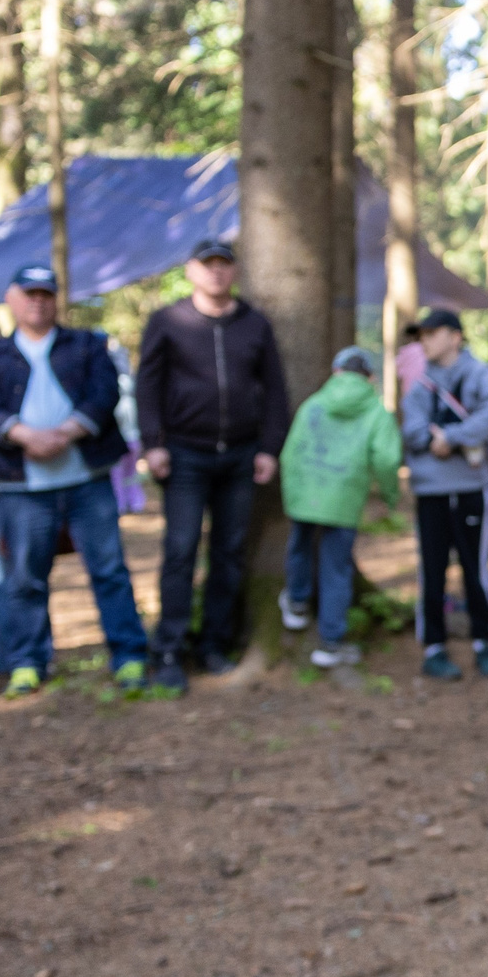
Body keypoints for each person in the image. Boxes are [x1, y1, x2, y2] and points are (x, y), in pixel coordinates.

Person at [0, 264, 151, 699]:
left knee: (109, 569)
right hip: (22, 487)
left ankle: (129, 657)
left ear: (56, 299)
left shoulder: (86, 345)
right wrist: (22, 434)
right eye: (29, 293)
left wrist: (67, 432)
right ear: (12, 298)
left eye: (46, 293)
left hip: (87, 479)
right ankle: (27, 662)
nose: (38, 301)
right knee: (26, 576)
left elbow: (105, 394)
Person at [133, 238, 292, 689]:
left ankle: (215, 644)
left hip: (241, 457)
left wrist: (268, 448)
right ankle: (169, 648)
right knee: (180, 550)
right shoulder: (168, 321)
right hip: (183, 455)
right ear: (191, 271)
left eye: (224, 265)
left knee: (229, 553)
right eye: (209, 265)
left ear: (235, 271)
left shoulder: (254, 325)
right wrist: (154, 442)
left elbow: (275, 391)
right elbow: (148, 386)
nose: (217, 272)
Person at [399, 308, 488, 681]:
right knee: (432, 569)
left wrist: (454, 436)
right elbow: (411, 430)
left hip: (471, 489)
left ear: (455, 336)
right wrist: (436, 438)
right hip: (430, 491)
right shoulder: (419, 385)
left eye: (431, 333)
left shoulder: (479, 374)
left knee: (474, 568)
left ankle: (483, 640)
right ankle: (434, 645)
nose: (424, 341)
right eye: (421, 335)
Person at [279, 346, 402, 669]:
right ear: (370, 378)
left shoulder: (314, 404)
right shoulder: (376, 412)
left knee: (300, 547)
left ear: (336, 371)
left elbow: (290, 451)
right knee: (336, 567)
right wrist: (390, 495)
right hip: (345, 499)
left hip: (305, 495)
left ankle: (296, 602)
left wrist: (292, 495)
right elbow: (388, 459)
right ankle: (330, 643)